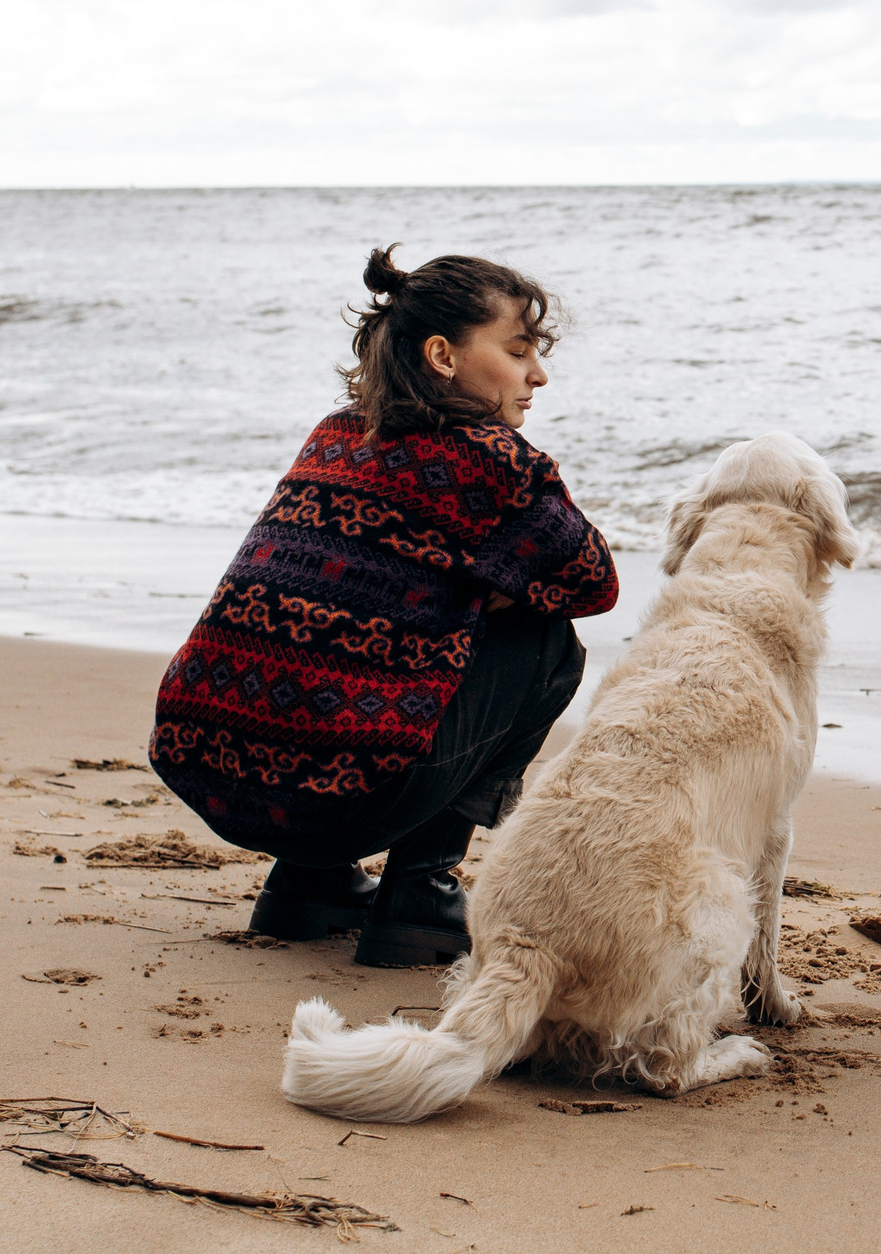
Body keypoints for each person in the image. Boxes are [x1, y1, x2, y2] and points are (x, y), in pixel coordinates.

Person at [149, 246, 619, 966]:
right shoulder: (492, 460)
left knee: (354, 639)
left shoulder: (339, 430)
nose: (538, 374)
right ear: (442, 353)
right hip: (343, 795)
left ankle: (308, 884)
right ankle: (419, 891)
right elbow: (595, 580)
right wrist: (501, 590)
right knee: (545, 636)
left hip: (217, 770)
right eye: (518, 350)